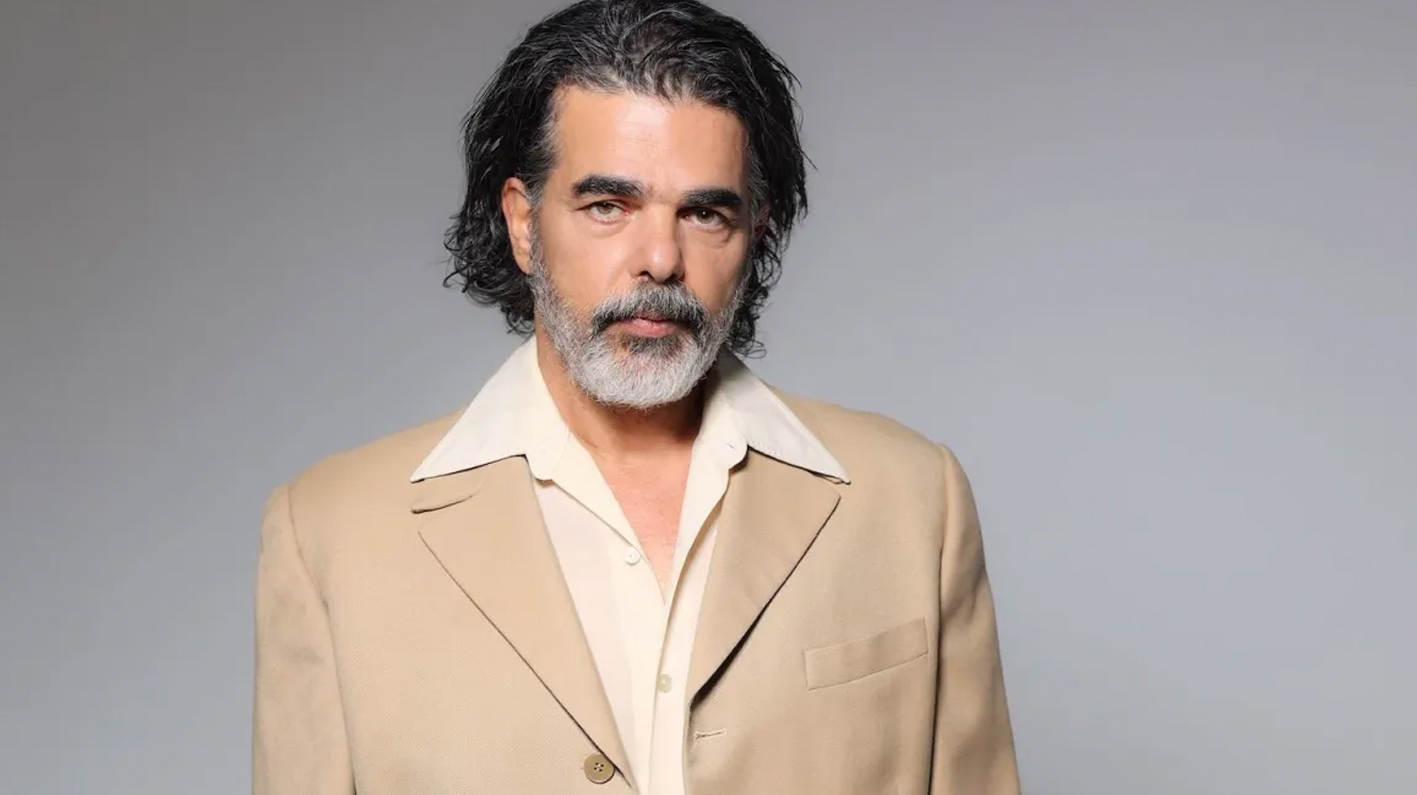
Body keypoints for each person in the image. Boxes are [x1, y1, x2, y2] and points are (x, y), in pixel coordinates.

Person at [252, 0, 1019, 792]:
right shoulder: (331, 534)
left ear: (755, 228)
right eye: (607, 206)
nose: (659, 257)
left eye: (704, 212)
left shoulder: (911, 499)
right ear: (523, 222)